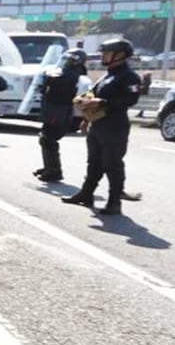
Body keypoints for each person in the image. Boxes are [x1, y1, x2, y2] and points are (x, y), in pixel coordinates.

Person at [62, 37, 141, 216]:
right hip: (98, 125)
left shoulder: (129, 76)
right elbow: (93, 97)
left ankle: (114, 202)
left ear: (120, 54)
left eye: (107, 53)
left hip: (115, 126)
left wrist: (104, 101)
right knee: (94, 162)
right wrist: (86, 118)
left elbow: (131, 99)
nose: (103, 56)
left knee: (112, 164)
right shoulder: (107, 75)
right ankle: (86, 194)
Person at [33, 48, 85, 182]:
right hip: (53, 107)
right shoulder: (64, 72)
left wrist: (49, 78)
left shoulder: (75, 74)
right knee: (44, 137)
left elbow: (61, 81)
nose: (67, 62)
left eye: (70, 60)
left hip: (60, 109)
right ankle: (49, 167)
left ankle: (55, 171)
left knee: (49, 139)